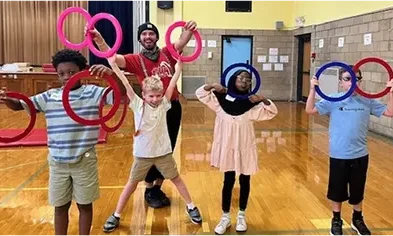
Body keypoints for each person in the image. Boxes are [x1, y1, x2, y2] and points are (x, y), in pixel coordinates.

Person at [0, 49, 126, 236]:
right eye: (61, 74)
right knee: (60, 206)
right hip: (57, 162)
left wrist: (111, 74)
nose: (67, 77)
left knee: (84, 204)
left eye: (71, 72)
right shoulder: (50, 96)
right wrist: (6, 99)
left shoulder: (93, 93)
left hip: (84, 159)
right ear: (57, 75)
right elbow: (20, 105)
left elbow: (119, 94)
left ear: (82, 71)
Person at [88, 21, 197, 208]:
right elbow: (112, 57)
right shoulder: (135, 59)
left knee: (166, 147)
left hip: (172, 106)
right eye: (144, 34)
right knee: (148, 147)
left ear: (156, 37)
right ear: (139, 38)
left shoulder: (167, 52)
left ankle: (157, 187)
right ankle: (148, 187)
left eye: (151, 33)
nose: (148, 37)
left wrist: (190, 29)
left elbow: (181, 41)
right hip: (150, 110)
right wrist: (99, 40)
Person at [102, 60, 202, 233]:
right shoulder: (137, 104)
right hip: (142, 155)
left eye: (157, 95)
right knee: (132, 184)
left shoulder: (164, 104)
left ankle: (191, 206)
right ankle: (116, 215)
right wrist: (114, 65)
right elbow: (125, 82)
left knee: (176, 179)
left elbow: (171, 84)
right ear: (144, 94)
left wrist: (179, 67)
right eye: (151, 96)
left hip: (163, 153)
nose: (155, 99)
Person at [305, 66, 393, 236]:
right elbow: (310, 110)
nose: (352, 82)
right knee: (337, 189)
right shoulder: (333, 100)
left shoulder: (367, 100)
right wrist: (312, 89)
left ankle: (357, 219)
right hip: (339, 154)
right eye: (347, 78)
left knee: (358, 189)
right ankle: (336, 219)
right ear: (340, 82)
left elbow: (390, 112)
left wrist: (392, 92)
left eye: (356, 78)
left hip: (360, 154)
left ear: (360, 81)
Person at [195, 70, 278, 234]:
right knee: (228, 181)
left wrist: (263, 99)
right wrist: (212, 85)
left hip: (244, 148)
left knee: (245, 180)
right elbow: (200, 93)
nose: (244, 81)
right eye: (241, 78)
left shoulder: (251, 102)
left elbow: (271, 112)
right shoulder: (220, 99)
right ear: (233, 79)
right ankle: (225, 216)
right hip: (227, 148)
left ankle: (241, 215)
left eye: (248, 79)